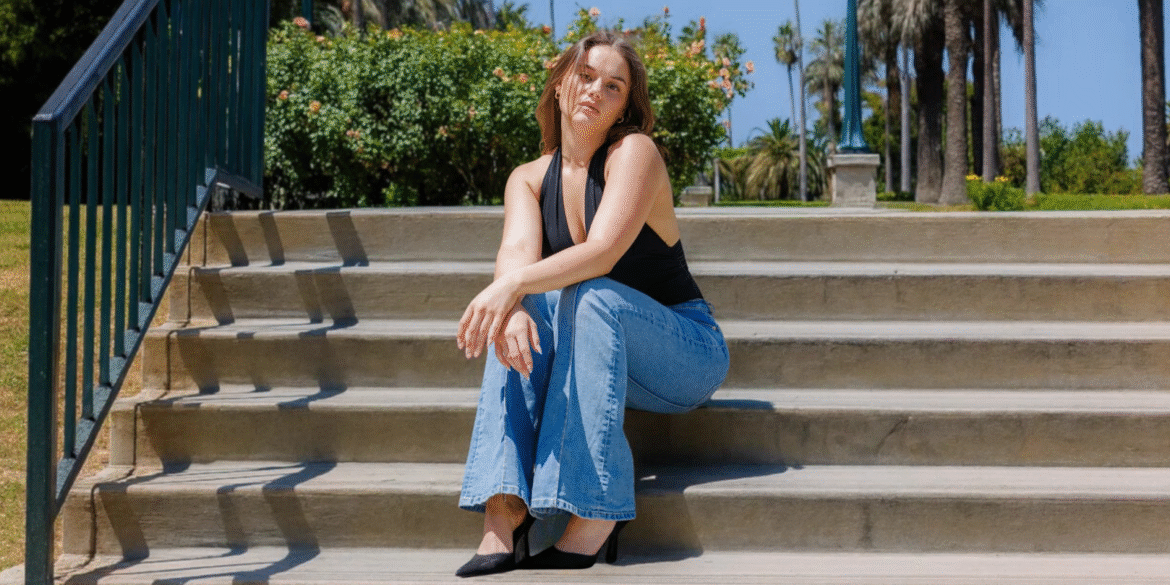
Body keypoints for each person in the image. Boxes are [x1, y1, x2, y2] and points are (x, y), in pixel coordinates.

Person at [454, 30, 730, 577]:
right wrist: (509, 301)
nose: (594, 91)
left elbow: (602, 252)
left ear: (625, 106)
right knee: (515, 315)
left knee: (588, 294)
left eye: (613, 86)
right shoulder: (529, 180)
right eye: (585, 77)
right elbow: (515, 254)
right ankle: (502, 513)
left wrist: (510, 288)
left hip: (684, 352)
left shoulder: (635, 154)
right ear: (559, 85)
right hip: (593, 352)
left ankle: (598, 514)